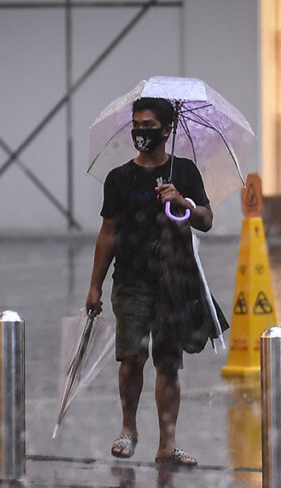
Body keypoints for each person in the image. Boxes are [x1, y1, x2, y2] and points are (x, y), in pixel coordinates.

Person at [85, 96, 213, 467]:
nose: (141, 132)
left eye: (149, 127)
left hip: (174, 282)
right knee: (132, 358)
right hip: (131, 280)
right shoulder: (120, 178)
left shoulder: (185, 171)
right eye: (136, 126)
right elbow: (108, 231)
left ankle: (167, 444)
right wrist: (95, 284)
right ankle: (128, 429)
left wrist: (183, 202)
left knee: (168, 363)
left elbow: (206, 219)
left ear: (167, 130)